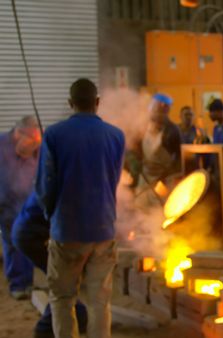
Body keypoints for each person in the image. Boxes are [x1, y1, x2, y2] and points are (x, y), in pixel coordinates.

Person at [35, 78, 125, 338]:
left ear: (70, 103)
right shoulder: (116, 135)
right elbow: (114, 179)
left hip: (67, 230)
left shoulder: (53, 135)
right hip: (104, 229)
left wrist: (49, 216)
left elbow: (45, 185)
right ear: (97, 103)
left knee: (63, 299)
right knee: (99, 301)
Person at [11, 192, 88, 338]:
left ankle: (78, 315)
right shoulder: (62, 187)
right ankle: (46, 327)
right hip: (31, 236)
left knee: (62, 279)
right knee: (62, 280)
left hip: (26, 232)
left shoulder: (55, 180)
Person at [0, 116, 41, 300]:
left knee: (26, 238)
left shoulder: (37, 148)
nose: (34, 149)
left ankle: (27, 282)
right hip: (5, 202)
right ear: (18, 135)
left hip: (26, 201)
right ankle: (18, 284)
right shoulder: (1, 146)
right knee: (12, 241)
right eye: (30, 143)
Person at [127, 93, 181, 198]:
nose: (156, 116)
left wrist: (169, 174)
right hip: (145, 175)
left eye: (161, 112)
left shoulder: (173, 130)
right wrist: (133, 160)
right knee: (142, 205)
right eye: (154, 111)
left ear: (166, 112)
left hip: (164, 179)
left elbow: (179, 158)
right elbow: (132, 148)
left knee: (162, 207)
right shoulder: (143, 127)